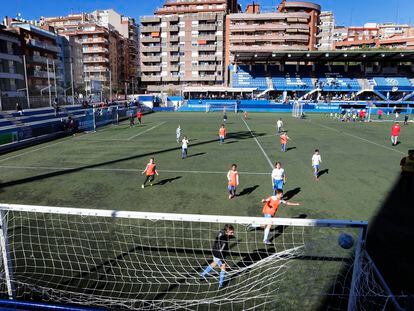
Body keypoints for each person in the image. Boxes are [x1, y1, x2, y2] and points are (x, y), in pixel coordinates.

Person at [200, 224, 235, 289]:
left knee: (214, 263)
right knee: (223, 268)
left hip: (214, 251)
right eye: (231, 232)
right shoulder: (224, 242)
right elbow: (221, 251)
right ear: (226, 232)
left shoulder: (221, 232)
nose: (233, 234)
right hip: (219, 255)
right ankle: (221, 284)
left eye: (233, 232)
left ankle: (202, 274)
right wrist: (223, 261)